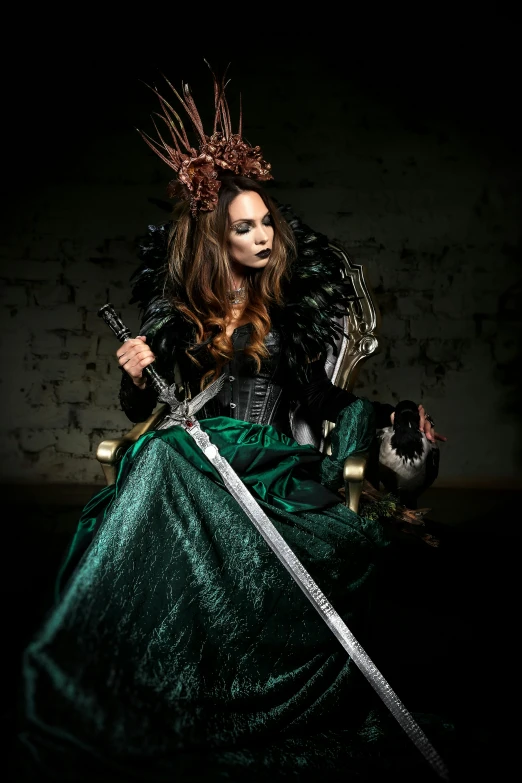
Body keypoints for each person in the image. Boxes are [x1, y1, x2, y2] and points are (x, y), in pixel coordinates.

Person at [20, 70, 452, 782]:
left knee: (168, 464)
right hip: (195, 452)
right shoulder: (176, 315)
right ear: (213, 239)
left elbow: (320, 400)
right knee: (158, 456)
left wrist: (394, 416)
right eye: (242, 226)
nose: (260, 235)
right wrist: (136, 368)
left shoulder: (287, 312)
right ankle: (116, 680)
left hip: (268, 463)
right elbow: (140, 411)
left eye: (264, 222)